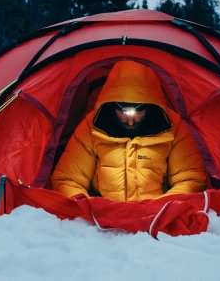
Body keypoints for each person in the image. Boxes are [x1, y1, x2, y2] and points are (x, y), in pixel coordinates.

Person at [50, 60, 208, 201]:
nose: (130, 120)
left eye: (138, 112)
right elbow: (67, 179)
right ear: (112, 105)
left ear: (150, 106)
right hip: (102, 218)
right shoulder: (92, 126)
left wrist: (161, 207)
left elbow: (190, 178)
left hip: (157, 215)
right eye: (123, 112)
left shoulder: (173, 126)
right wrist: (91, 207)